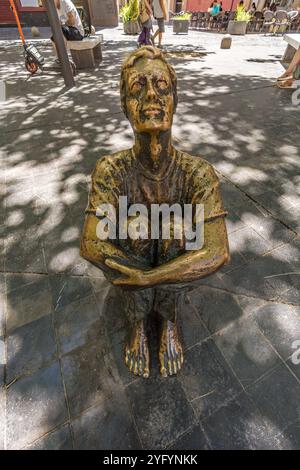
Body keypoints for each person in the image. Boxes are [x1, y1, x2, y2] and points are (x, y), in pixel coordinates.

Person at [80, 46, 229, 378]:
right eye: (137, 87)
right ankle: (137, 321)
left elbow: (218, 251)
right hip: (134, 255)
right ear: (125, 105)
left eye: (162, 86)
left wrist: (148, 278)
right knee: (138, 227)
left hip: (160, 265)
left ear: (174, 99)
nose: (151, 95)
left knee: (174, 229)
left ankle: (168, 321)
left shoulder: (198, 172)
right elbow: (91, 244)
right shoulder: (110, 170)